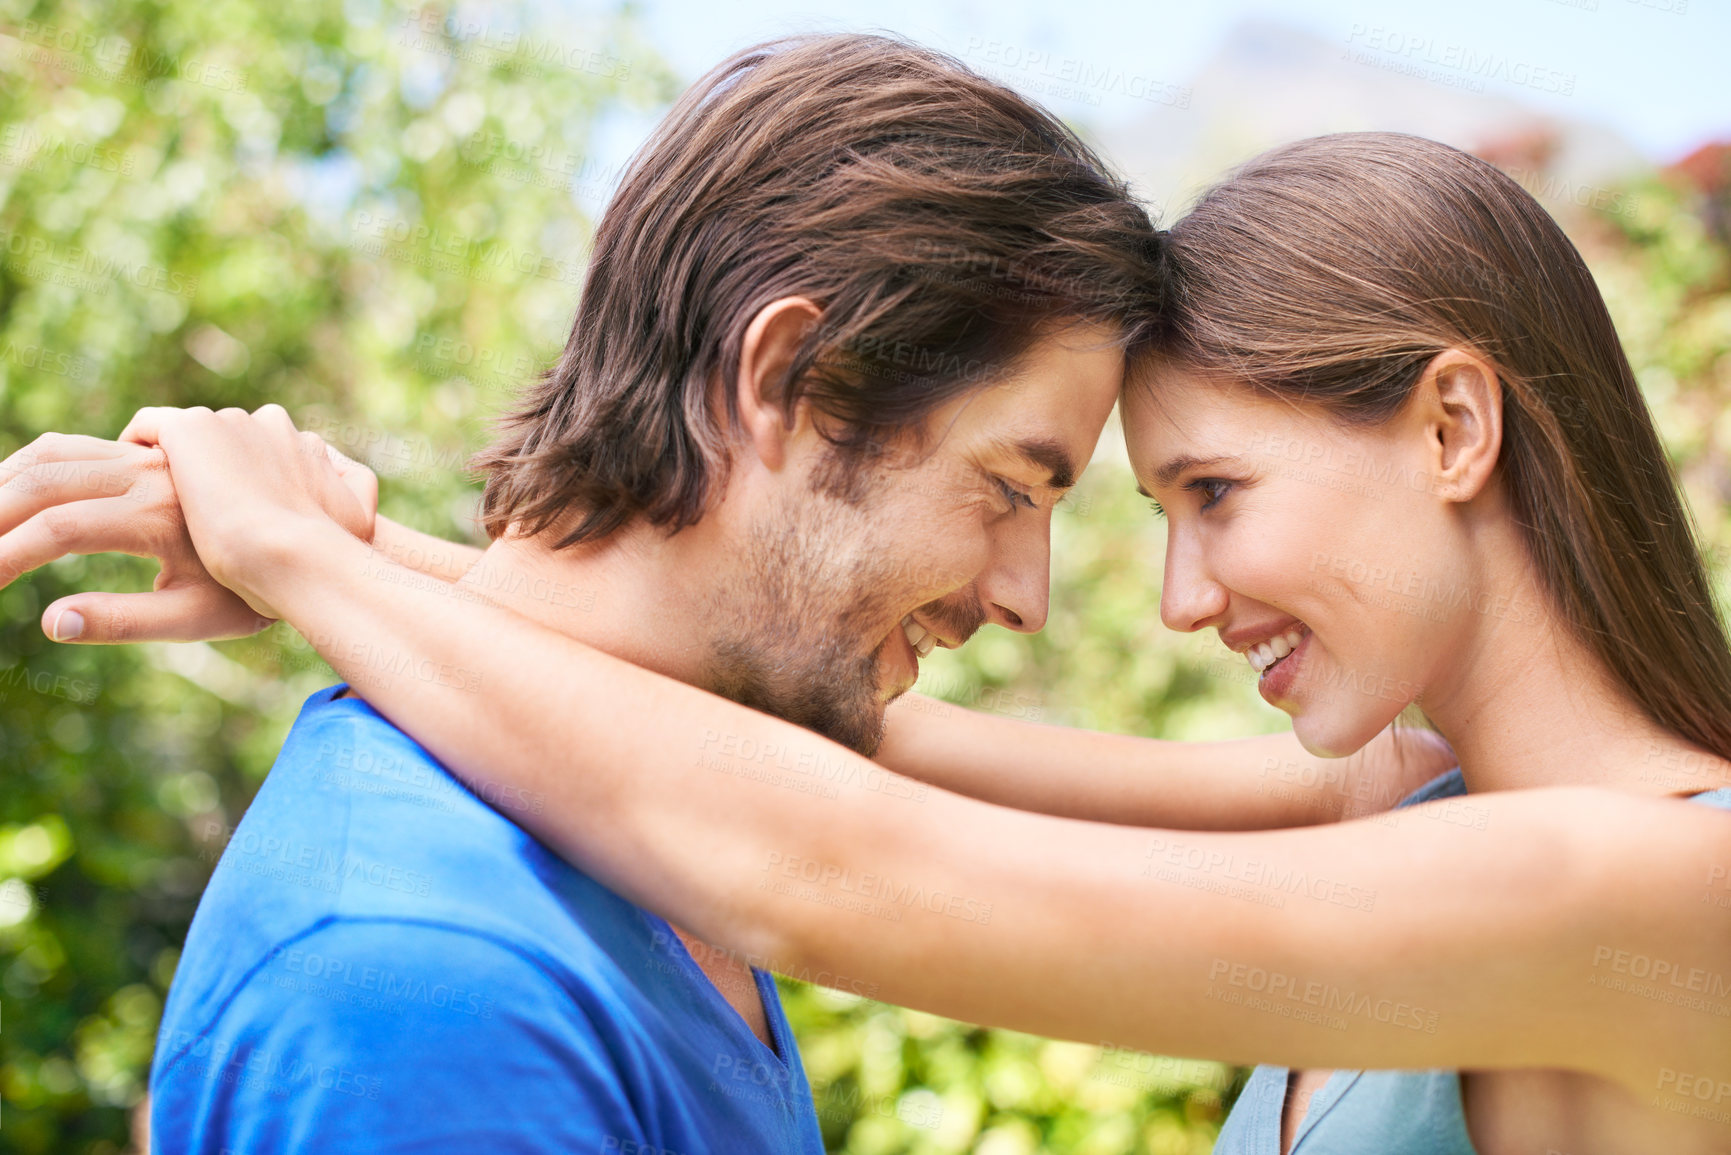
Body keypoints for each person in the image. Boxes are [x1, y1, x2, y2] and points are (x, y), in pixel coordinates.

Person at [18, 134, 1722, 1149]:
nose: (1181, 599)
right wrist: (359, 555)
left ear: (1448, 432)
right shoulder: (1416, 812)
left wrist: (301, 558)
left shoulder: (1670, 900)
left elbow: (835, 864)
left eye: (1214, 491)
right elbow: (798, 735)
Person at [0, 32, 1222, 1153]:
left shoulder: (665, 826)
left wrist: (319, 554)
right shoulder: (431, 986)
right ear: (789, 377)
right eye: (1012, 486)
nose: (1027, 599)